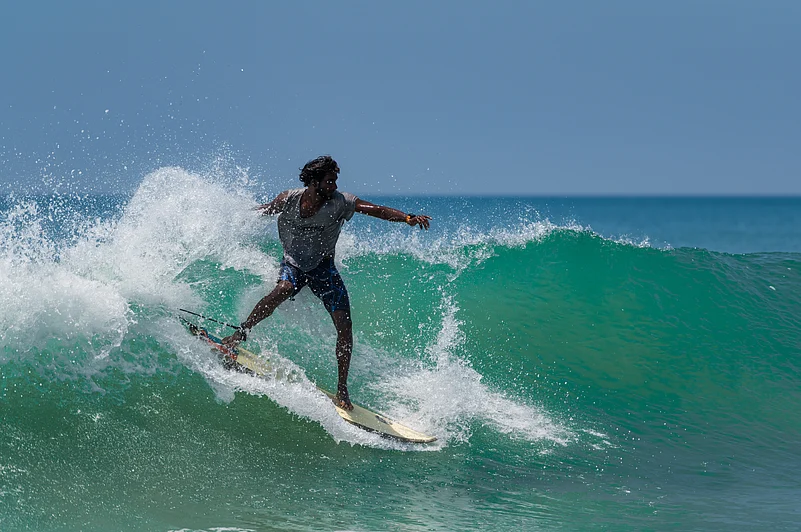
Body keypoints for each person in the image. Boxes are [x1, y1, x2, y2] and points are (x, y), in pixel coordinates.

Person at [222, 155, 431, 410]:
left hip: (324, 269)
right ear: (313, 181)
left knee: (345, 326)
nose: (333, 185)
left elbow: (376, 210)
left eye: (335, 180)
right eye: (329, 181)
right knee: (284, 289)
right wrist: (231, 221)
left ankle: (342, 389)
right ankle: (238, 334)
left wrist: (407, 218)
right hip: (293, 264)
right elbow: (262, 213)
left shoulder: (341, 203)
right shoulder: (288, 199)